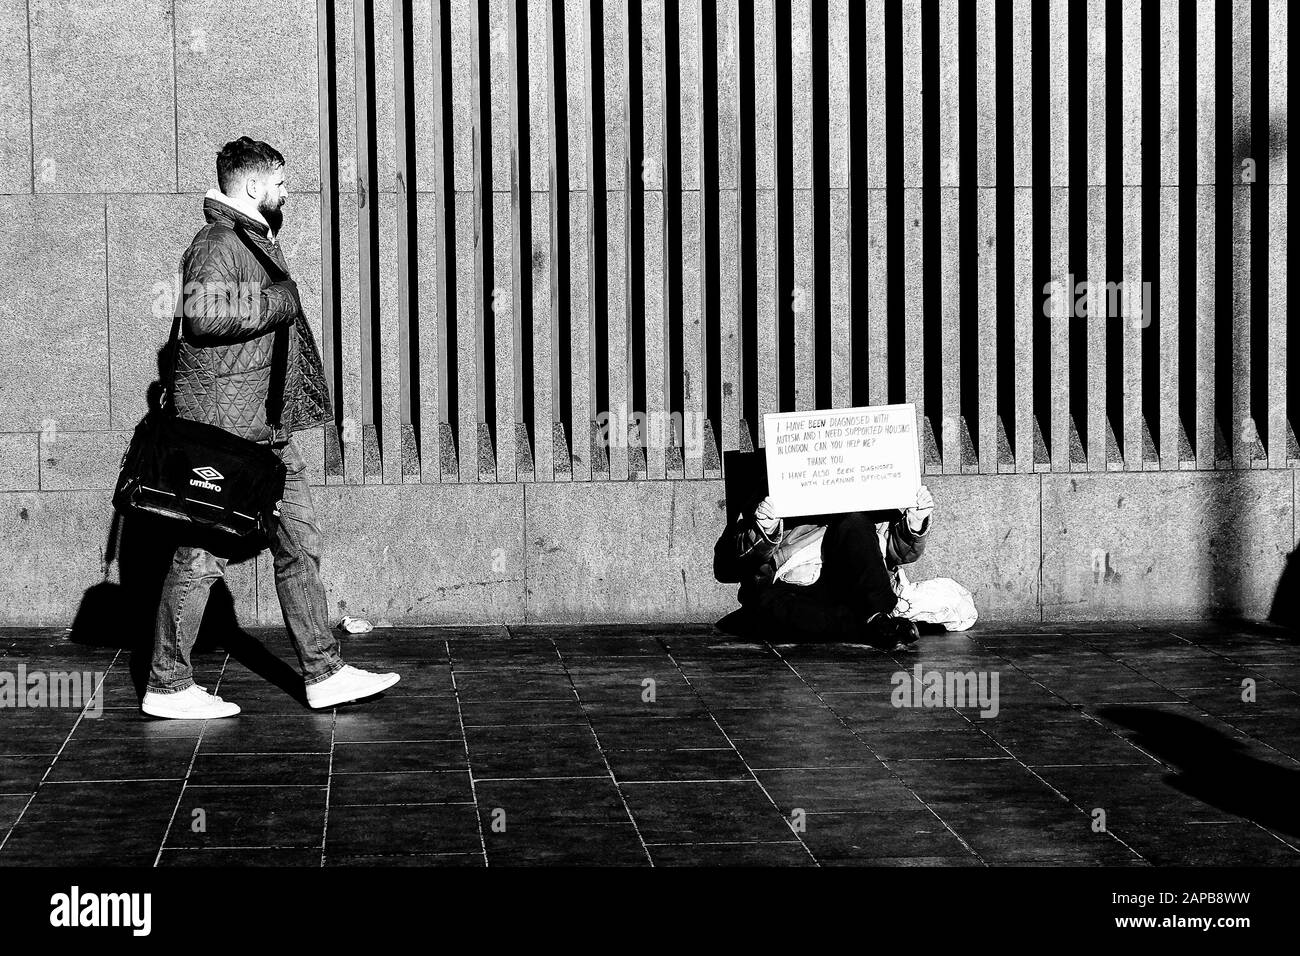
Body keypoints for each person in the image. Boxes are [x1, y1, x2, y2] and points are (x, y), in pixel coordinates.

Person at [142, 137, 399, 719]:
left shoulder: (249, 239)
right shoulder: (217, 242)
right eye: (281, 183)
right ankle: (166, 682)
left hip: (263, 431)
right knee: (202, 552)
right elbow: (203, 315)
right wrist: (280, 302)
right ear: (254, 186)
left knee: (298, 544)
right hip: (227, 436)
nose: (288, 193)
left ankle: (324, 673)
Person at [713, 486, 936, 647]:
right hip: (799, 583)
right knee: (768, 606)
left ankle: (876, 618)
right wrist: (765, 530)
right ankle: (874, 626)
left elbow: (899, 553)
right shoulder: (774, 482)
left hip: (857, 583)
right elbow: (734, 559)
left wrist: (913, 524)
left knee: (854, 521)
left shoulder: (870, 487)